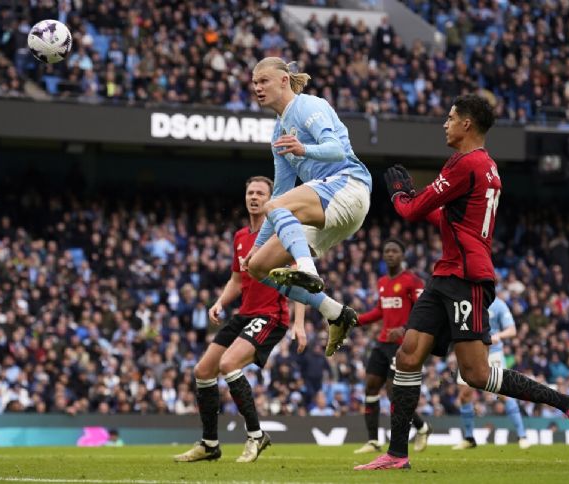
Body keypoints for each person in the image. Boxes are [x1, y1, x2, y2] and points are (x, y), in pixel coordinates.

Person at [355, 94, 569, 471]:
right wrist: (416, 201)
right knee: (408, 354)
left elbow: (414, 211)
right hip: (447, 274)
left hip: (467, 278)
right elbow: (451, 222)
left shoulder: (467, 164)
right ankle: (397, 453)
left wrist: (401, 195)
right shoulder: (486, 166)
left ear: (467, 124)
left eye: (450, 118)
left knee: (476, 374)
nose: (445, 124)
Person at [242, 57, 373, 357]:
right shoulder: (278, 134)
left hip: (348, 186)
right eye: (255, 83)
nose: (257, 88)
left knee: (275, 207)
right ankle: (336, 313)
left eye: (263, 81)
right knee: (259, 266)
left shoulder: (308, 106)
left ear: (284, 81)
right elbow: (282, 192)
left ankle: (307, 268)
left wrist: (305, 149)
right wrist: (257, 245)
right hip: (326, 207)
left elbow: (337, 149)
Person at [174, 176, 306, 464]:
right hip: (244, 313)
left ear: (271, 199)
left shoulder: (282, 234)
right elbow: (237, 279)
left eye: (261, 193)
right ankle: (210, 444)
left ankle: (257, 436)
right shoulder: (240, 237)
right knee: (203, 370)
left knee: (229, 364)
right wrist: (221, 302)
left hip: (272, 315)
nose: (254, 197)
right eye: (250, 192)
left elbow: (301, 278)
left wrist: (299, 323)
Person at [353, 238, 432, 454]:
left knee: (393, 393)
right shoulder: (382, 282)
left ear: (402, 255)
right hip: (382, 342)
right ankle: (373, 441)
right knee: (370, 385)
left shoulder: (413, 281)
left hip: (402, 346)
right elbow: (380, 311)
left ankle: (422, 427)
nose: (390, 254)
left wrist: (406, 328)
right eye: (387, 251)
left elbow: (423, 310)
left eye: (394, 251)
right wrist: (355, 319)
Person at [453, 297, 530, 450]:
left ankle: (522, 436)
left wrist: (499, 336)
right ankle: (469, 438)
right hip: (468, 353)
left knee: (503, 393)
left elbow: (512, 330)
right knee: (464, 395)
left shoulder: (498, 304)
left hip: (492, 352)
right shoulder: (466, 300)